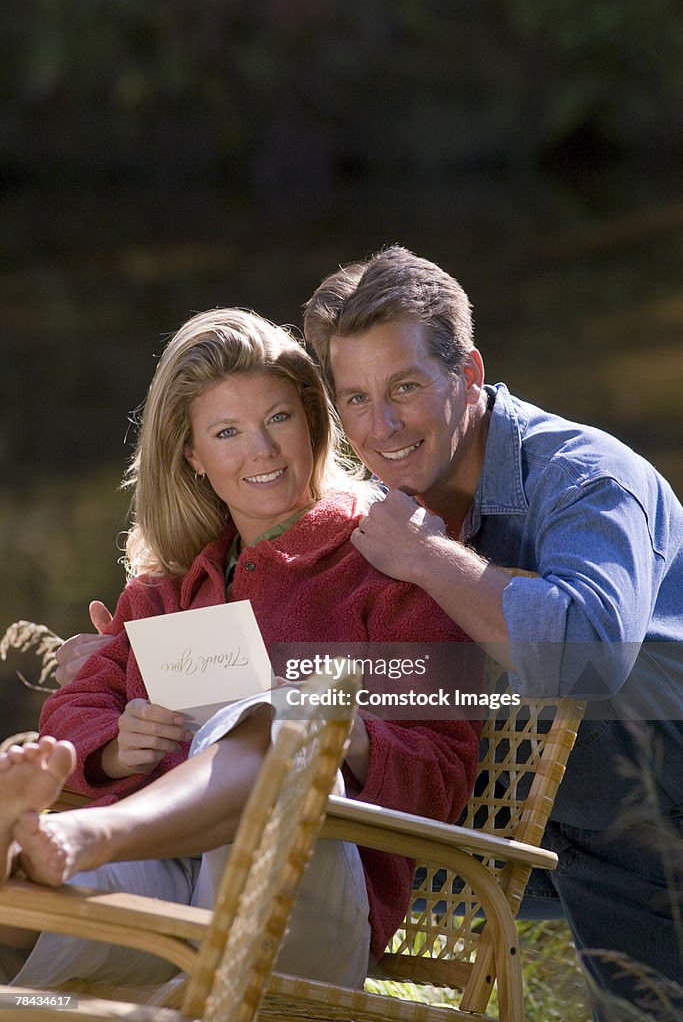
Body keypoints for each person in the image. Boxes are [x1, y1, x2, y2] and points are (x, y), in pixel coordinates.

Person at [0, 307, 481, 991]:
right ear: (193, 455)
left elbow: (443, 767)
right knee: (36, 910)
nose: (261, 450)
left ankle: (90, 838)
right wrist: (114, 744)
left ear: (313, 420)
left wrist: (343, 735)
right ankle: (27, 863)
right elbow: (77, 705)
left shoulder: (392, 558)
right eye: (227, 432)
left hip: (301, 899)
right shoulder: (167, 588)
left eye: (278, 418)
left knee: (289, 715)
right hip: (171, 882)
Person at [301, 245, 683, 1020]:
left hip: (650, 781)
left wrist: (427, 559)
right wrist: (138, 661)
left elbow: (584, 659)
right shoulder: (372, 508)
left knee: (573, 719)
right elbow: (301, 653)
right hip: (535, 812)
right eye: (355, 399)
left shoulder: (587, 476)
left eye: (404, 388)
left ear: (467, 374)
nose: (380, 428)